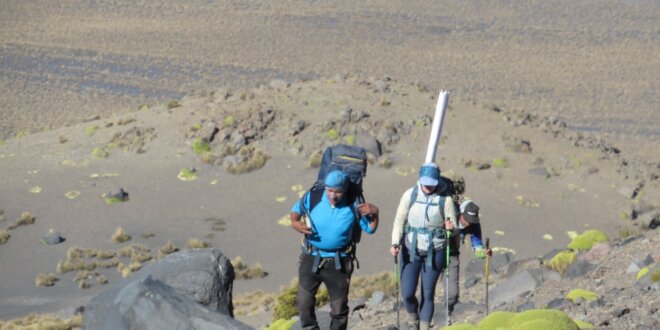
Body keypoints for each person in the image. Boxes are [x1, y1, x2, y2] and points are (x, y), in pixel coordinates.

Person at [290, 170, 379, 330]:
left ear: (344, 191)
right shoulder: (314, 196)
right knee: (304, 303)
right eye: (329, 190)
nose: (332, 195)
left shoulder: (354, 204)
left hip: (340, 263)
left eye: (337, 191)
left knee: (339, 310)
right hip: (311, 257)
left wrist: (375, 213)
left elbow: (370, 229)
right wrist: (295, 223)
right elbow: (296, 209)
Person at [390, 163, 457, 330]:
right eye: (425, 182)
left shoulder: (446, 200)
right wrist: (395, 242)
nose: (428, 186)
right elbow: (399, 221)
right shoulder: (409, 195)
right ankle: (413, 319)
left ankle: (424, 327)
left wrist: (451, 228)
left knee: (428, 294)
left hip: (435, 250)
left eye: (431, 183)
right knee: (407, 294)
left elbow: (455, 229)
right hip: (410, 249)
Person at [445, 199, 492, 324]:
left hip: (452, 255)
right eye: (466, 219)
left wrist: (484, 253)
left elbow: (477, 248)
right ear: (460, 213)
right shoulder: (449, 214)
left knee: (453, 294)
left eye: (471, 222)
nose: (467, 224)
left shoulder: (474, 225)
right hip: (436, 253)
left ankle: (447, 315)